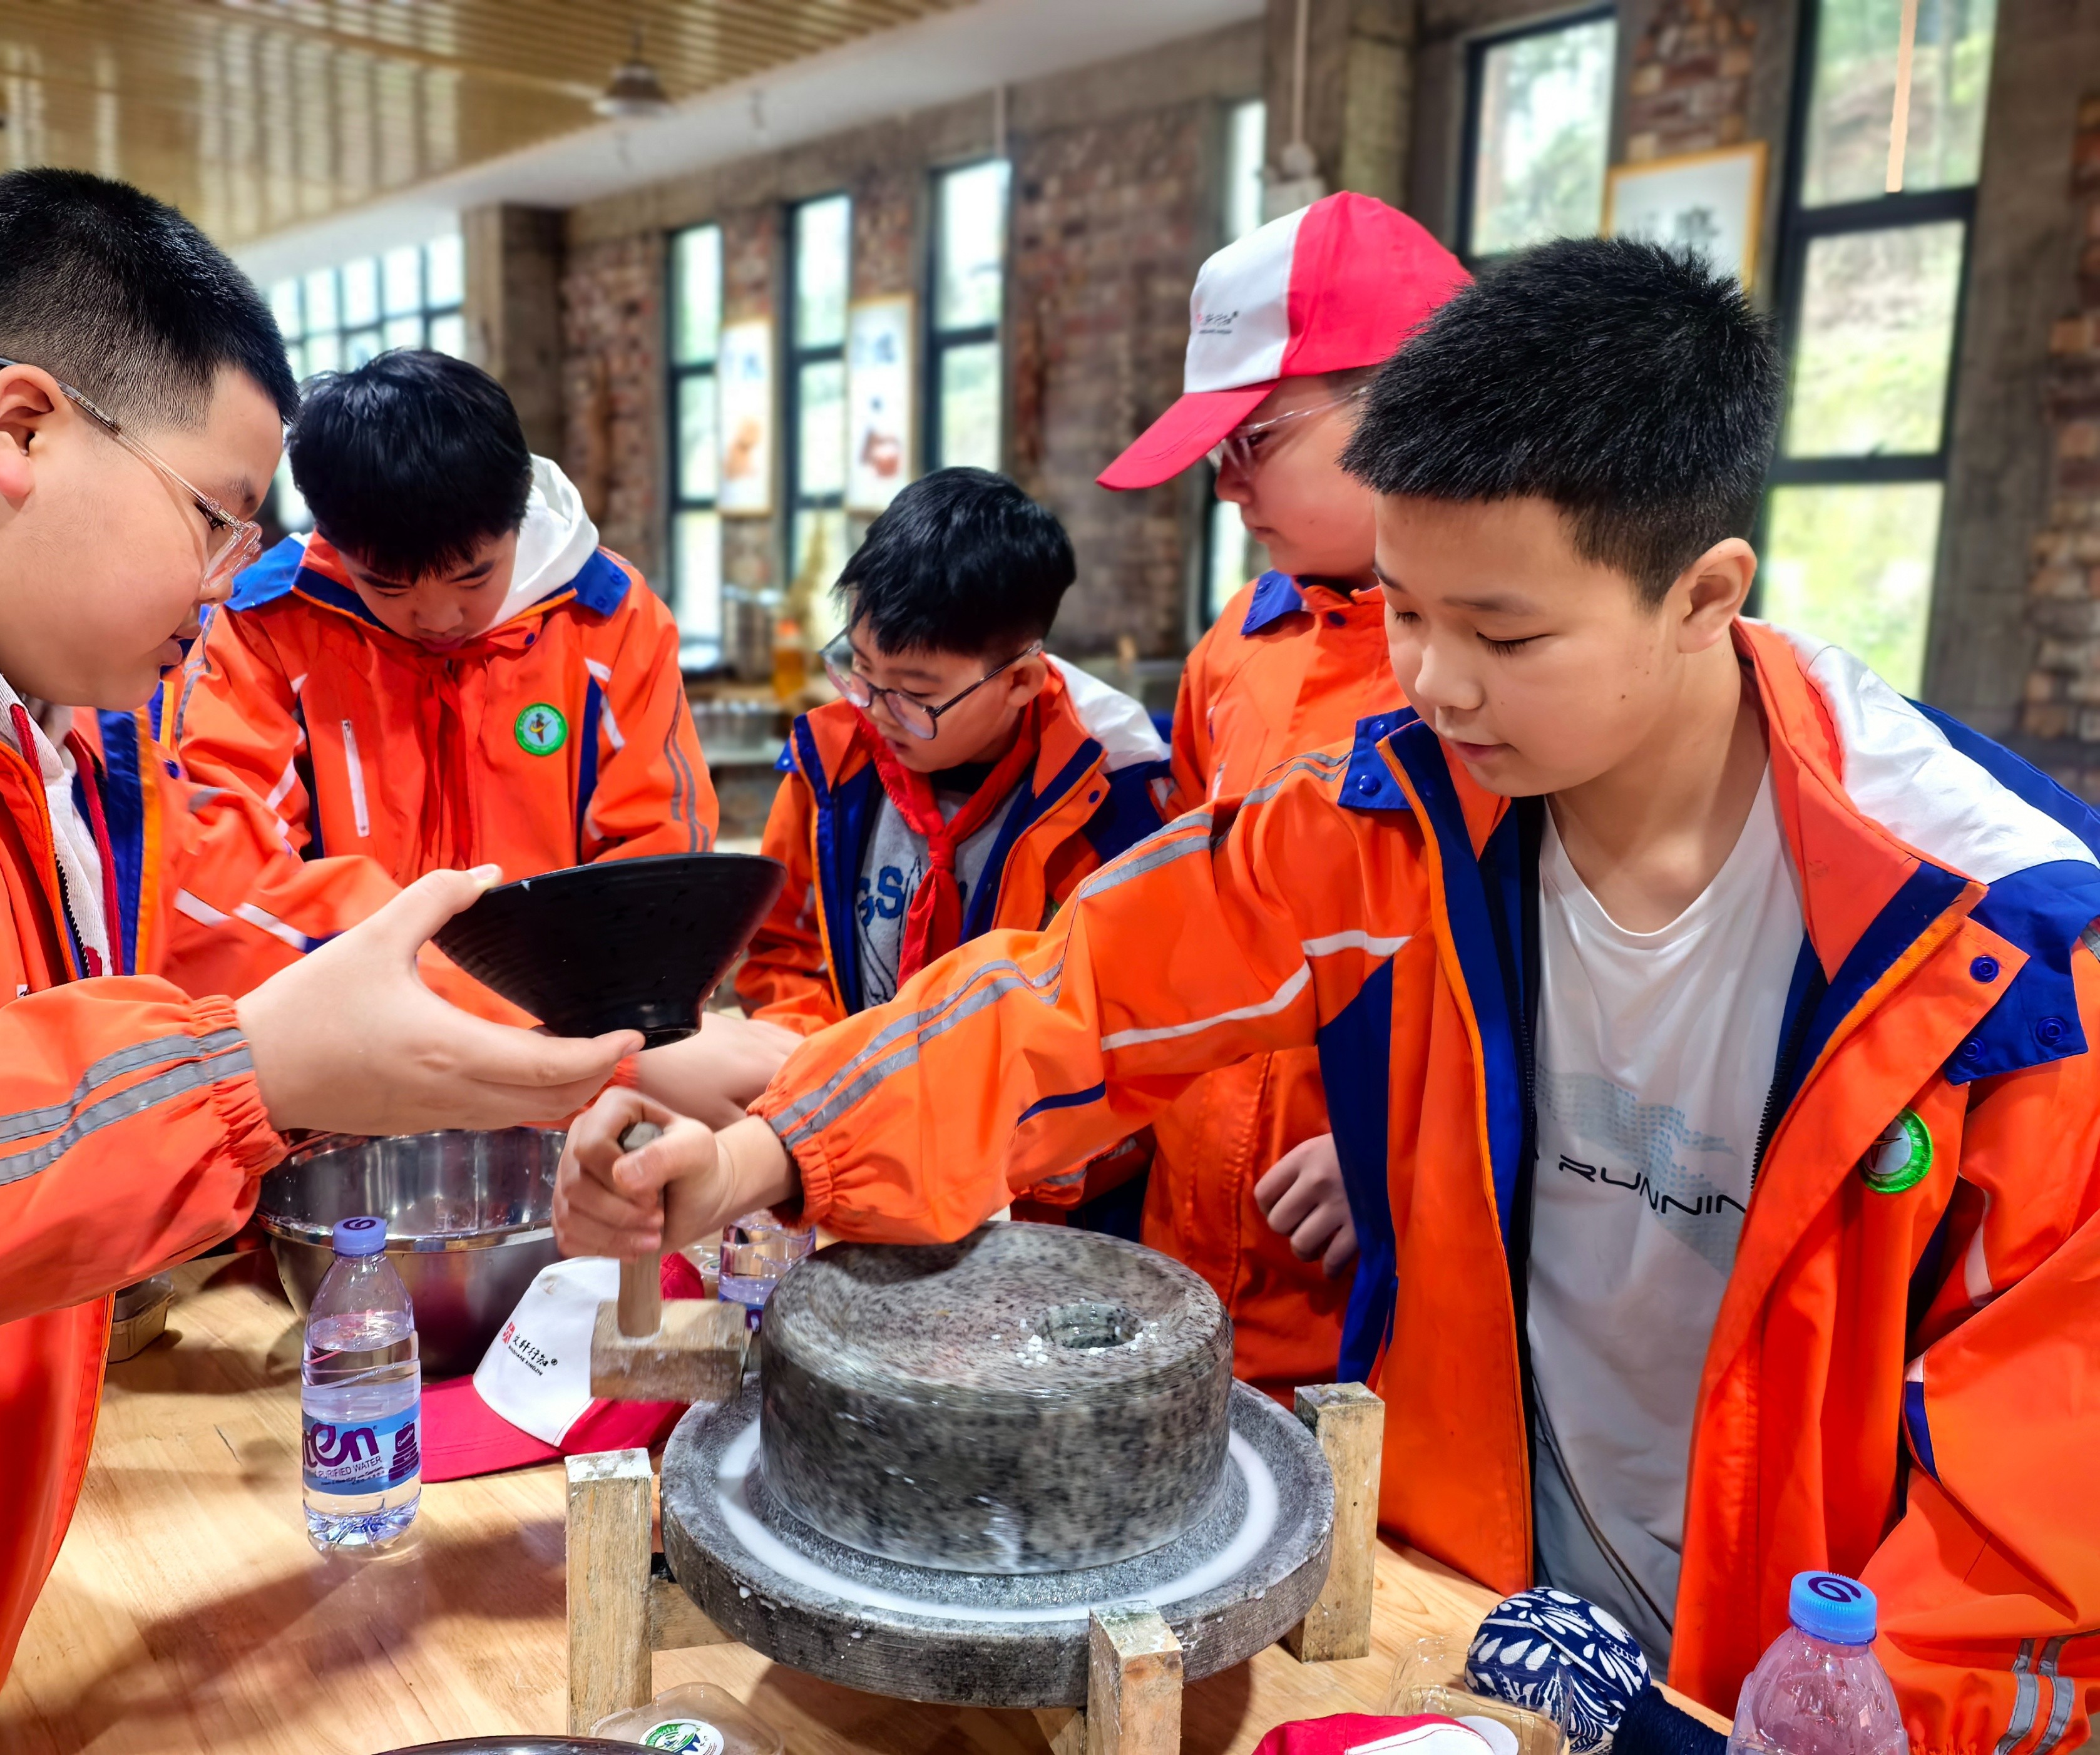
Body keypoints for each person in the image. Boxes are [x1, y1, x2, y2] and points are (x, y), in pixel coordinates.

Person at [557, 240, 2100, 1748]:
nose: (1433, 681)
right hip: (1472, 1615)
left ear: (1704, 596)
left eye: (1502, 631)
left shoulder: (2001, 950)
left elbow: (2040, 1497)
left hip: (1787, 1685)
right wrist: (771, 1151)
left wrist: (1854, 1706)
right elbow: (1079, 984)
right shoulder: (1404, 819)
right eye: (1408, 610)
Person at [0, 170, 638, 1755]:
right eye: (216, 512)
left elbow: (194, 957)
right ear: (20, 431)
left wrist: (600, 1019)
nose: (228, 578)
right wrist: (240, 1078)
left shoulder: (19, 736)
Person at [1096, 192, 1467, 1398]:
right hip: (1187, 1247)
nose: (1226, 488)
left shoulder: (1490, 684)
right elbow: (1179, 933)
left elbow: (1558, 1002)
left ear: (1402, 399)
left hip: (1370, 1297)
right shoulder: (1236, 649)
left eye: (1250, 442)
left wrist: (1398, 1150)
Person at [734, 466, 1170, 1219]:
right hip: (843, 1157)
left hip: (1034, 1204)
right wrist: (828, 1080)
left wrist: (997, 1158)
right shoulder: (831, 764)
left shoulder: (1112, 802)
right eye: (859, 671)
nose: (878, 710)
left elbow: (1129, 1029)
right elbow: (783, 949)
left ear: (1022, 680)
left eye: (917, 693)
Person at [168, 347, 715, 905]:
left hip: (560, 981)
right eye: (386, 587)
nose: (438, 618)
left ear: (519, 504)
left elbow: (658, 851)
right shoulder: (270, 622)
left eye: (474, 578)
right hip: (348, 978)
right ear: (331, 535)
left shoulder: (606, 616)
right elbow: (234, 847)